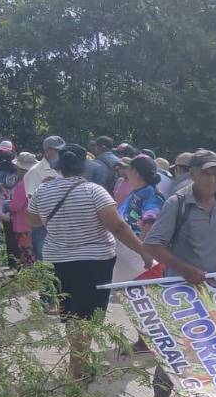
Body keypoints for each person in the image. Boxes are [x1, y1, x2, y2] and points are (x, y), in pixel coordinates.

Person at [143, 150, 216, 397]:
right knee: (176, 348)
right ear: (192, 174)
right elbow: (152, 244)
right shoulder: (177, 203)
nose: (212, 178)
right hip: (181, 291)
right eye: (206, 172)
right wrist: (185, 269)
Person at [28, 144, 149, 380]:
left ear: (59, 166)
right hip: (94, 262)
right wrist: (143, 251)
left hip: (58, 262)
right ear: (84, 165)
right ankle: (78, 365)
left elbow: (33, 220)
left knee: (72, 312)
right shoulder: (95, 191)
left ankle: (77, 360)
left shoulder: (44, 191)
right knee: (88, 315)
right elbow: (117, 226)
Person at [113, 156, 165, 284]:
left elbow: (150, 220)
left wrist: (140, 249)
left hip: (137, 253)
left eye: (128, 169)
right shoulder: (136, 192)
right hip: (127, 249)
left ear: (135, 171)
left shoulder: (151, 194)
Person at [0, 141, 23, 273]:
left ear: (13, 153)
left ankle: (13, 262)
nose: (4, 156)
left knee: (11, 235)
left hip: (10, 205)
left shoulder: (17, 167)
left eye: (7, 153)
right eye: (1, 153)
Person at [9, 152, 37, 268]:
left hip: (23, 225)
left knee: (26, 254)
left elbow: (15, 206)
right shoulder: (38, 182)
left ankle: (30, 280)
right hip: (35, 224)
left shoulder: (22, 184)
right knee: (34, 252)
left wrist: (8, 205)